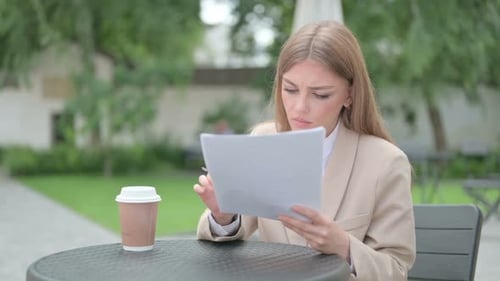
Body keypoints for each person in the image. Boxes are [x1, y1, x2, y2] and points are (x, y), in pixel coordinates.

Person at [193, 20, 415, 281]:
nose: (299, 108)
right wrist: (224, 214)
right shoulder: (264, 140)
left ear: (349, 95)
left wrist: (343, 246)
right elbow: (224, 234)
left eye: (320, 94)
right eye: (290, 89)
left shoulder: (385, 163)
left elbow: (397, 270)